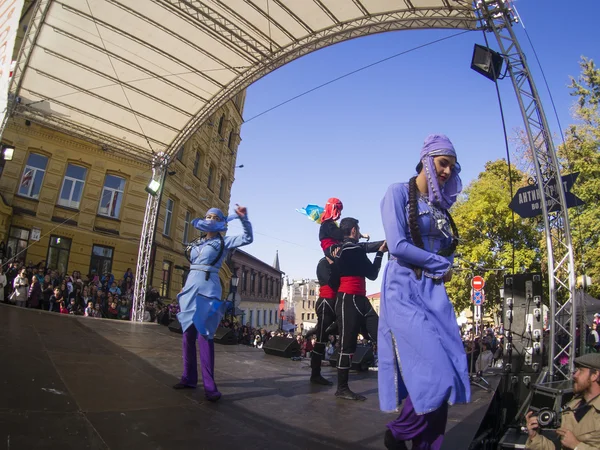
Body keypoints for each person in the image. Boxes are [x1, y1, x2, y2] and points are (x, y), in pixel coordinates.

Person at [379, 134, 470, 449]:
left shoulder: (441, 209)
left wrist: (448, 263)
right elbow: (398, 245)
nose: (446, 171)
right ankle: (398, 432)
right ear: (427, 159)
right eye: (443, 163)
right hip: (404, 287)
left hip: (435, 293)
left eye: (451, 167)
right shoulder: (396, 193)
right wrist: (438, 263)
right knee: (437, 375)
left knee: (447, 372)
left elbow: (448, 250)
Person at [174, 205, 253, 402]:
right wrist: (184, 288)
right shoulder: (196, 243)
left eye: (214, 217)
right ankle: (188, 378)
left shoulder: (224, 242)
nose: (209, 219)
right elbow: (192, 267)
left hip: (209, 290)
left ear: (219, 222)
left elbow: (248, 238)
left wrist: (243, 219)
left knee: (204, 336)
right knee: (187, 336)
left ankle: (210, 387)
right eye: (207, 216)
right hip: (190, 289)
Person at [330, 217, 386, 401]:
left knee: (350, 343)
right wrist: (380, 253)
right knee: (353, 343)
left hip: (353, 298)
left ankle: (343, 387)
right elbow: (372, 274)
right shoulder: (354, 248)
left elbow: (333, 278)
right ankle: (342, 388)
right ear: (354, 231)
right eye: (358, 229)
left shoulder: (341, 250)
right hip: (350, 298)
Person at [525, 352, 600, 449]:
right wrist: (534, 437)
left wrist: (576, 446)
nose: (575, 375)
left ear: (594, 375)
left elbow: (572, 444)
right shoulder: (573, 405)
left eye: (581, 371)